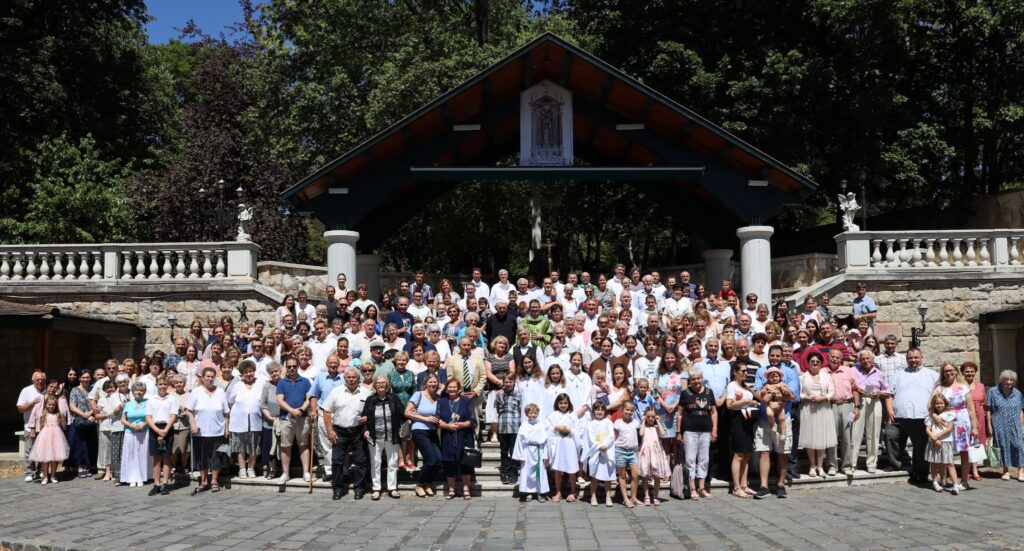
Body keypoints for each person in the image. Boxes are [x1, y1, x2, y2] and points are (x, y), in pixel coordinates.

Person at [885, 348, 939, 483]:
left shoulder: (932, 375)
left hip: (921, 417)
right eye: (910, 358)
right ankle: (895, 464)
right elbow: (889, 394)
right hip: (898, 416)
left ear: (922, 358)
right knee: (891, 436)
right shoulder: (898, 374)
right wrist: (889, 409)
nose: (913, 360)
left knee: (920, 447)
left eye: (916, 357)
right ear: (906, 359)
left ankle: (920, 473)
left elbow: (939, 397)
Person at [322, 367, 372, 500]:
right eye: (348, 377)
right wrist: (330, 430)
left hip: (358, 432)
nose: (351, 380)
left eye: (354, 377)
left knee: (360, 461)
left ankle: (359, 488)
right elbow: (326, 411)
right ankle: (338, 488)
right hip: (339, 431)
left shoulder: (366, 393)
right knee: (337, 461)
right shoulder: (336, 391)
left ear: (358, 379)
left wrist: (367, 417)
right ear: (344, 378)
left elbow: (371, 411)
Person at [932, 361, 979, 491]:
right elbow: (931, 406)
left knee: (964, 452)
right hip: (944, 422)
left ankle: (964, 481)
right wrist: (935, 416)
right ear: (943, 373)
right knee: (944, 451)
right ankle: (943, 478)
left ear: (956, 371)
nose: (949, 373)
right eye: (946, 371)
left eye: (951, 370)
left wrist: (975, 427)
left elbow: (971, 409)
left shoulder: (964, 387)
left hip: (962, 422)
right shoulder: (939, 388)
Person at [753, 366, 794, 498]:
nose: (775, 357)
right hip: (765, 419)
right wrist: (773, 397)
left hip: (783, 417)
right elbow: (759, 396)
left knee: (782, 452)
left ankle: (781, 485)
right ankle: (764, 486)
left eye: (777, 356)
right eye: (772, 356)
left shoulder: (790, 372)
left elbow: (793, 396)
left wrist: (773, 396)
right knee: (764, 452)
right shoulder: (761, 372)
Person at [677, 367, 718, 500]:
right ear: (689, 380)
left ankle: (701, 487)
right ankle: (692, 488)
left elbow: (714, 412)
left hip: (706, 431)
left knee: (704, 459)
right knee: (690, 459)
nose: (696, 381)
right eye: (693, 379)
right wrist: (678, 432)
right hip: (689, 431)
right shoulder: (685, 393)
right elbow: (679, 414)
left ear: (702, 378)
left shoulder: (708, 392)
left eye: (698, 378)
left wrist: (714, 430)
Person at [187, 367, 230, 493]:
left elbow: (226, 413)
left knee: (216, 456)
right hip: (200, 432)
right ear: (202, 378)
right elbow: (189, 410)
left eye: (212, 377)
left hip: (218, 430)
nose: (210, 379)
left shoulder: (220, 392)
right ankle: (204, 481)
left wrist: (227, 427)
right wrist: (193, 424)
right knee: (202, 457)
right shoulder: (196, 392)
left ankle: (214, 481)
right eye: (207, 376)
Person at [362, 375, 403, 499]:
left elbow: (403, 413)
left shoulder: (394, 398)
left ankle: (392, 488)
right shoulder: (370, 399)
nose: (381, 384)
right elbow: (364, 417)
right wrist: (365, 429)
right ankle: (376, 489)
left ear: (387, 385)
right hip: (375, 436)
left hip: (392, 435)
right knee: (375, 463)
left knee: (392, 462)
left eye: (383, 382)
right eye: (378, 382)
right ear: (375, 385)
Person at [850, 349, 889, 474]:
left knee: (873, 433)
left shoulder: (880, 373)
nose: (865, 361)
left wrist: (879, 393)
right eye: (863, 359)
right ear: (859, 360)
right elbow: (849, 385)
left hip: (874, 402)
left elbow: (887, 392)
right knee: (854, 432)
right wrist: (858, 389)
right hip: (857, 402)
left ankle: (871, 463)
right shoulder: (853, 370)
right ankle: (852, 463)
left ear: (872, 359)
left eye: (868, 358)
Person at [437, 378, 477, 500]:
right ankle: (451, 489)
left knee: (466, 462)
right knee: (449, 462)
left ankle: (466, 488)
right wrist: (446, 426)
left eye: (454, 387)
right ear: (446, 389)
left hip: (464, 436)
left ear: (459, 389)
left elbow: (473, 420)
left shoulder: (466, 401)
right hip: (448, 436)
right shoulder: (442, 401)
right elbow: (437, 419)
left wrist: (462, 425)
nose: (452, 389)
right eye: (450, 387)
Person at [307, 354, 344, 483]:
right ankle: (329, 471)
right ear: (327, 364)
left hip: (339, 414)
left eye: (335, 363)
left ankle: (342, 470)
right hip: (324, 413)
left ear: (338, 364)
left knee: (340, 442)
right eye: (331, 363)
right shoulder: (320, 377)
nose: (333, 365)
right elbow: (313, 395)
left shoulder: (343, 378)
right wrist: (313, 410)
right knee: (327, 443)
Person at [798, 352, 836, 478]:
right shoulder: (803, 377)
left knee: (821, 438)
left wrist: (823, 398)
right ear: (808, 363)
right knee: (810, 438)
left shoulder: (826, 376)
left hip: (823, 409)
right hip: (808, 409)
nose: (815, 363)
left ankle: (820, 466)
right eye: (812, 361)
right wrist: (807, 397)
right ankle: (812, 466)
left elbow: (832, 392)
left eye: (817, 361)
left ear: (821, 363)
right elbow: (798, 393)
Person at [276, 356, 313, 483]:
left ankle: (306, 472)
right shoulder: (282, 382)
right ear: (286, 367)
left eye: (294, 366)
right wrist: (292, 411)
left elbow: (309, 398)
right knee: (286, 446)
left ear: (298, 366)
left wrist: (301, 410)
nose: (292, 368)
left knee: (303, 445)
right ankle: (285, 473)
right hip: (286, 419)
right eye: (289, 366)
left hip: (302, 418)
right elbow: (280, 401)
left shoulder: (305, 381)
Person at [824, 347, 860, 476]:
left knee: (847, 436)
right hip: (830, 407)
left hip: (847, 406)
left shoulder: (848, 371)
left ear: (841, 359)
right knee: (831, 437)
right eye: (832, 357)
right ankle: (832, 465)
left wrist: (857, 407)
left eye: (837, 357)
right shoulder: (823, 372)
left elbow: (855, 389)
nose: (835, 359)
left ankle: (847, 466)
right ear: (827, 358)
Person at [406, 373, 442, 497]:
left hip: (432, 431)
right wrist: (425, 419)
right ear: (425, 383)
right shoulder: (419, 394)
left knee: (438, 460)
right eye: (430, 382)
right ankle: (420, 485)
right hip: (419, 430)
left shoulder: (437, 397)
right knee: (431, 460)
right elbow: (407, 412)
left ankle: (428, 483)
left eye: (435, 382)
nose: (433, 384)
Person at [228, 361, 264, 480]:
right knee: (240, 446)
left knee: (254, 446)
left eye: (250, 371)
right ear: (242, 374)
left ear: (254, 371)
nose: (248, 374)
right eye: (245, 372)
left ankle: (251, 468)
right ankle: (242, 469)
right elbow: (230, 402)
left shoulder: (261, 383)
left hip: (256, 420)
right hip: (239, 421)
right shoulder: (237, 385)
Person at [986, 370, 1024, 481]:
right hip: (999, 424)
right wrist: (989, 425)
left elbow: (1021, 411)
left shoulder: (1017, 393)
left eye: (1011, 380)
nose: (1009, 382)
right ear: (1002, 380)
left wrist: (1022, 426)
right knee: (1003, 446)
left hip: (1015, 424)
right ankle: (1005, 470)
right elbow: (988, 410)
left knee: (1018, 446)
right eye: (1006, 379)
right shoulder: (993, 392)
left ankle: (1021, 471)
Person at [145, 376, 178, 495]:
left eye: (165, 384)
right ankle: (157, 484)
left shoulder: (172, 399)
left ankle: (165, 484)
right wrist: (158, 431)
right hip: (155, 429)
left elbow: (173, 416)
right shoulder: (151, 399)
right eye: (160, 384)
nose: (162, 386)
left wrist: (165, 430)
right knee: (157, 458)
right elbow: (148, 417)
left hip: (167, 428)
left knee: (166, 457)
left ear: (168, 385)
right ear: (156, 385)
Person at [546, 393, 581, 502]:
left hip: (570, 443)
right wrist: (556, 427)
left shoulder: (573, 415)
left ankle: (572, 491)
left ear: (569, 404)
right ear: (557, 404)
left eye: (565, 403)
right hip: (558, 444)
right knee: (557, 469)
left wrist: (570, 430)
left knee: (571, 468)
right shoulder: (553, 415)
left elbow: (578, 430)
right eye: (561, 403)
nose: (563, 405)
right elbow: (547, 428)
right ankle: (558, 491)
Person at [29, 395, 69, 485]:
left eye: (53, 405)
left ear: (55, 406)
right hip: (45, 436)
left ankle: (53, 475)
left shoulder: (58, 415)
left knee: (55, 457)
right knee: (45, 458)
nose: (51, 406)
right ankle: (45, 476)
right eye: (49, 404)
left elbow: (60, 424)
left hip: (56, 437)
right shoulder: (43, 414)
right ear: (46, 405)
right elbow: (41, 425)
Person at [513, 402, 549, 502]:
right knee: (528, 472)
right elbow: (519, 441)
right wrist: (521, 456)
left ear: (538, 414)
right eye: (531, 413)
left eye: (535, 413)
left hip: (539, 450)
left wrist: (545, 455)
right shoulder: (524, 425)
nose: (533, 415)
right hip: (527, 451)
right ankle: (529, 492)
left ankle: (539, 492)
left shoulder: (540, 425)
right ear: (526, 414)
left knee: (539, 473)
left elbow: (545, 441)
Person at [583, 401, 616, 506]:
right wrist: (599, 446)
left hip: (607, 451)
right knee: (594, 475)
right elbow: (590, 438)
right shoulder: (590, 424)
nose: (600, 412)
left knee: (607, 476)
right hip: (596, 451)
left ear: (605, 411)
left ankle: (608, 497)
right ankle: (593, 496)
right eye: (597, 409)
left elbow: (611, 435)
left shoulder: (608, 422)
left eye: (602, 410)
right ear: (593, 411)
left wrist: (605, 445)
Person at [120, 382, 152, 488]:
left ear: (144, 392)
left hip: (144, 431)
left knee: (143, 455)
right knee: (131, 455)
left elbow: (152, 417)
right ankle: (132, 478)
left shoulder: (148, 403)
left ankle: (142, 477)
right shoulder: (128, 404)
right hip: (130, 432)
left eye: (141, 390)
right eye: (137, 390)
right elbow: (123, 419)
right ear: (133, 392)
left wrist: (144, 424)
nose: (139, 392)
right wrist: (131, 426)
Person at [925, 393, 958, 493]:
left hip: (946, 442)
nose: (939, 405)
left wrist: (937, 436)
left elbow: (949, 429)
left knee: (950, 463)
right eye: (937, 404)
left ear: (945, 403)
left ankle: (955, 485)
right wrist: (934, 439)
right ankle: (935, 482)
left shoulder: (949, 415)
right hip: (934, 443)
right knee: (934, 463)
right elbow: (928, 430)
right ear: (934, 404)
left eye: (941, 403)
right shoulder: (930, 417)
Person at [17, 371, 47, 482]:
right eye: (38, 380)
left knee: (42, 450)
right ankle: (29, 472)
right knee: (29, 450)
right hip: (29, 426)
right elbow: (20, 409)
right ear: (33, 381)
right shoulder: (26, 390)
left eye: (42, 380)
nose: (40, 382)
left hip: (45, 427)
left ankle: (40, 471)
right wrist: (31, 403)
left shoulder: (48, 390)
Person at [637, 408, 670, 505]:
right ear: (645, 416)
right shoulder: (643, 426)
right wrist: (643, 421)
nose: (650, 419)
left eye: (653, 417)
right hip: (646, 453)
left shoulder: (657, 427)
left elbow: (663, 434)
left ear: (656, 417)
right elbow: (641, 433)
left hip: (656, 453)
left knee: (657, 476)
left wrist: (658, 421)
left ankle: (655, 496)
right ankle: (646, 496)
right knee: (645, 475)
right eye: (648, 417)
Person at [67, 369, 97, 479]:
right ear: (80, 378)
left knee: (89, 444)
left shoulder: (93, 390)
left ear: (90, 378)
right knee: (80, 445)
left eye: (87, 377)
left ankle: (87, 466)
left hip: (91, 421)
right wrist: (85, 415)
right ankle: (80, 467)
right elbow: (72, 406)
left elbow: (97, 404)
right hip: (79, 421)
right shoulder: (75, 390)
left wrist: (91, 414)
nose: (85, 379)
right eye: (83, 377)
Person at [494, 374, 523, 485]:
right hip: (503, 427)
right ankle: (504, 472)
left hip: (514, 427)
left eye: (510, 382)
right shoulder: (499, 394)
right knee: (504, 451)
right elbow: (498, 409)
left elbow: (520, 410)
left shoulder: (519, 394)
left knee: (514, 451)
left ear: (514, 382)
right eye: (506, 382)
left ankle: (513, 472)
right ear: (503, 383)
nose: (508, 384)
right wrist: (500, 395)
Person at [960, 361, 985, 482]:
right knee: (965, 443)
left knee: (975, 442)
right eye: (967, 371)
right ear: (963, 373)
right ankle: (966, 470)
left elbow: (983, 402)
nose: (970, 373)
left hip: (979, 416)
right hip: (965, 416)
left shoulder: (981, 386)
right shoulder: (960, 386)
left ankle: (975, 470)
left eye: (972, 371)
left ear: (975, 372)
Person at [614, 402, 641, 507]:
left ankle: (633, 498)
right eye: (627, 409)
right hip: (621, 451)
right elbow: (615, 436)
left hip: (633, 451)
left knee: (635, 474)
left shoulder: (635, 422)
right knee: (622, 475)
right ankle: (625, 499)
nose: (629, 412)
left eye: (631, 410)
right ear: (622, 410)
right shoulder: (617, 423)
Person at [258, 362, 282, 479]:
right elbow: (262, 404)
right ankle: (272, 469)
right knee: (269, 446)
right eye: (271, 372)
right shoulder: (267, 386)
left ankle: (284, 469)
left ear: (280, 371)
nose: (274, 374)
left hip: (284, 420)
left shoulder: (285, 383)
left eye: (276, 371)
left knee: (283, 446)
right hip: (269, 421)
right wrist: (270, 418)